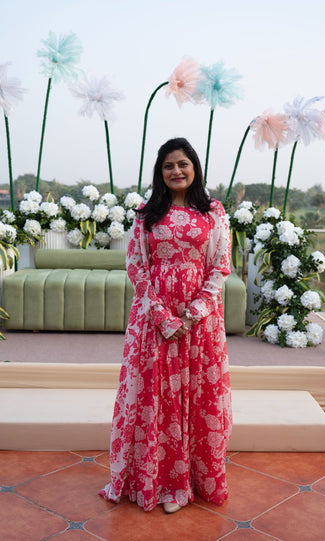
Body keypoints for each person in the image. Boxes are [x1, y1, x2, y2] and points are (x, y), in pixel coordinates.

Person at [99, 137, 232, 514]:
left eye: (183, 164)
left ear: (195, 168)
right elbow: (136, 266)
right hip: (153, 319)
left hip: (198, 322)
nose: (176, 171)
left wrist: (191, 314)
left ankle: (189, 482)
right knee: (155, 398)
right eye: (169, 165)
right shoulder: (146, 214)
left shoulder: (213, 212)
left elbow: (220, 266)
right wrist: (160, 315)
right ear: (160, 172)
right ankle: (158, 483)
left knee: (194, 398)